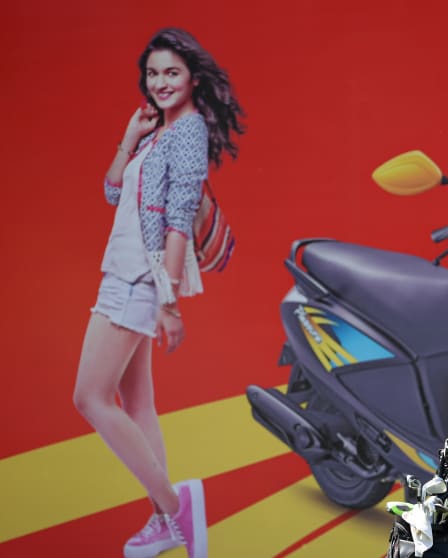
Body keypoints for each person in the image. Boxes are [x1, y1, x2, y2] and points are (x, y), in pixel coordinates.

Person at [72, 27, 244, 558]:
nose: (162, 82)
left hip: (136, 280)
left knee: (89, 398)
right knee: (137, 402)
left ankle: (175, 507)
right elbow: (110, 190)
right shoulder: (157, 133)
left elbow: (175, 222)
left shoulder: (188, 132)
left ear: (193, 77)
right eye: (153, 73)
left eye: (172, 72)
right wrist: (130, 138)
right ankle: (166, 522)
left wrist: (168, 303)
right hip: (123, 272)